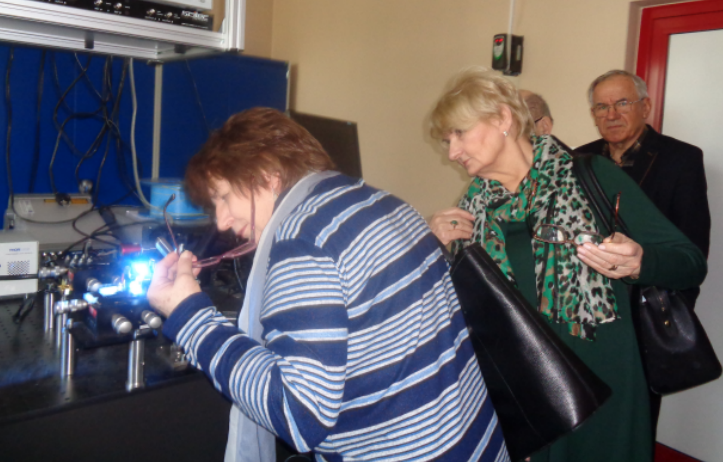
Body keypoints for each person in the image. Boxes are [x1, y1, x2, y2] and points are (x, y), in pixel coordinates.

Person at [147, 108, 509, 462]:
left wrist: (190, 316)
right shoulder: (383, 201)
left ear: (267, 175)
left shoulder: (303, 238)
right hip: (476, 445)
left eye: (224, 197)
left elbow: (298, 414)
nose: (222, 221)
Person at [427, 67, 706, 462]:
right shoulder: (473, 208)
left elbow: (690, 263)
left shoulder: (591, 176)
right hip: (525, 388)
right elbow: (464, 308)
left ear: (503, 118)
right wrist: (436, 249)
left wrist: (640, 262)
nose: (452, 152)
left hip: (603, 380)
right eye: (446, 140)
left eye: (460, 133)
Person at [574, 70, 710, 263]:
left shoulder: (681, 159)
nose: (611, 115)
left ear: (645, 107)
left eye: (622, 104)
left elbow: (693, 245)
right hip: (585, 273)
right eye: (602, 107)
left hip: (648, 275)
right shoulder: (578, 159)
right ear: (593, 115)